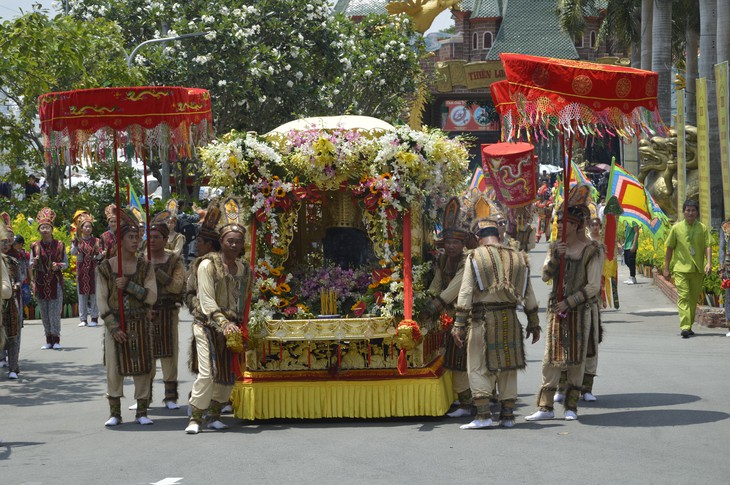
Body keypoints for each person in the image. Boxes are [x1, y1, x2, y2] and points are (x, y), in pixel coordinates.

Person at [452, 197, 541, 429]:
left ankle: (483, 416)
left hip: (483, 320)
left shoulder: (475, 256)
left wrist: (459, 325)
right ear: (499, 235)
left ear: (478, 238)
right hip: (510, 318)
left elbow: (465, 293)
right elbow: (529, 294)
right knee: (508, 366)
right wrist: (534, 322)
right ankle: (508, 416)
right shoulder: (518, 257)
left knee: (478, 366)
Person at [526, 196, 601, 422]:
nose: (558, 225)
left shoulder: (592, 250)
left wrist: (569, 302)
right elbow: (546, 275)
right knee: (551, 358)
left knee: (576, 359)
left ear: (576, 224)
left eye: (563, 221)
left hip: (579, 311)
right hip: (556, 312)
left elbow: (593, 286)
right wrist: (555, 258)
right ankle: (546, 407)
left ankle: (571, 405)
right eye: (557, 221)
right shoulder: (555, 247)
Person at [186, 197, 253, 434]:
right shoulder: (207, 266)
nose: (234, 245)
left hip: (232, 328)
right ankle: (195, 417)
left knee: (228, 374)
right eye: (229, 241)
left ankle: (214, 414)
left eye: (238, 242)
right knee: (207, 374)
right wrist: (222, 322)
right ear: (221, 242)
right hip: (207, 325)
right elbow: (205, 299)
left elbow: (244, 299)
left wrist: (243, 324)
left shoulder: (244, 268)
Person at [96, 206, 157, 426]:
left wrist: (129, 286)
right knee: (114, 368)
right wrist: (113, 327)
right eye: (130, 237)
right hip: (116, 324)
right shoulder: (105, 267)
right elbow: (102, 300)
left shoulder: (145, 266)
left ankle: (142, 412)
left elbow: (151, 297)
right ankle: (115, 412)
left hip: (140, 322)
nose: (135, 241)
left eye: (137, 236)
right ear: (120, 241)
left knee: (143, 367)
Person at [422, 197, 475, 418]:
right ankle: (463, 398)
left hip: (466, 314)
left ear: (463, 244)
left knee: (464, 358)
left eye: (456, 242)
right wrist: (428, 298)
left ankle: (469, 402)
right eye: (448, 242)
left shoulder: (467, 260)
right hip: (447, 313)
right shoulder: (443, 260)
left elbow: (456, 287)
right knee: (454, 358)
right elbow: (437, 282)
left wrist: (435, 305)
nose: (451, 246)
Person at [147, 210, 186, 410]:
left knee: (170, 355)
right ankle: (144, 397)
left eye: (156, 237)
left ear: (165, 239)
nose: (152, 241)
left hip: (168, 312)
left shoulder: (174, 260)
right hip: (145, 315)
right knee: (146, 355)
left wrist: (158, 274)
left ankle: (170, 397)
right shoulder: (140, 260)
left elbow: (177, 286)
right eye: (150, 237)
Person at [663, 199, 711, 339]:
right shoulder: (676, 228)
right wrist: (666, 267)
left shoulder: (702, 228)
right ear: (683, 212)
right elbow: (669, 248)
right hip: (681, 269)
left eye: (693, 210)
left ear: (697, 213)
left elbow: (708, 245)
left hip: (697, 269)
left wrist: (709, 263)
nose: (690, 213)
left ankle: (688, 326)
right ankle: (684, 326)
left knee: (693, 299)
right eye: (688, 210)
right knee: (683, 297)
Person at [30, 208, 68, 350]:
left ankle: (56, 339)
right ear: (39, 230)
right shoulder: (35, 246)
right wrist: (34, 262)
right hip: (40, 282)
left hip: (55, 282)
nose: (44, 230)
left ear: (52, 229)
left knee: (54, 312)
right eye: (42, 228)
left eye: (47, 227)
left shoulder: (60, 245)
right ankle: (48, 339)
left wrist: (57, 266)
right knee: (44, 313)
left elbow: (66, 264)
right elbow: (30, 265)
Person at [70, 211, 103, 327]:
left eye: (90, 226)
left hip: (93, 270)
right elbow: (72, 253)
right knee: (82, 295)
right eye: (85, 226)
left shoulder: (97, 241)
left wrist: (99, 253)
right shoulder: (77, 241)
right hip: (82, 270)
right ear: (81, 228)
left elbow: (100, 256)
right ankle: (83, 319)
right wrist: (74, 244)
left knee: (94, 294)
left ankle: (94, 318)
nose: (88, 229)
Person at [1, 215, 23, 379]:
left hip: (11, 301)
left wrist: (16, 285)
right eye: (2, 241)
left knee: (13, 334)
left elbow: (20, 278)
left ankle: (13, 368)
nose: (5, 244)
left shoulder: (14, 260)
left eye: (7, 241)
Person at [719, 218, 730, 337]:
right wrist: (721, 267)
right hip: (729, 264)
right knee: (729, 296)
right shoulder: (725, 225)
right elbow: (722, 248)